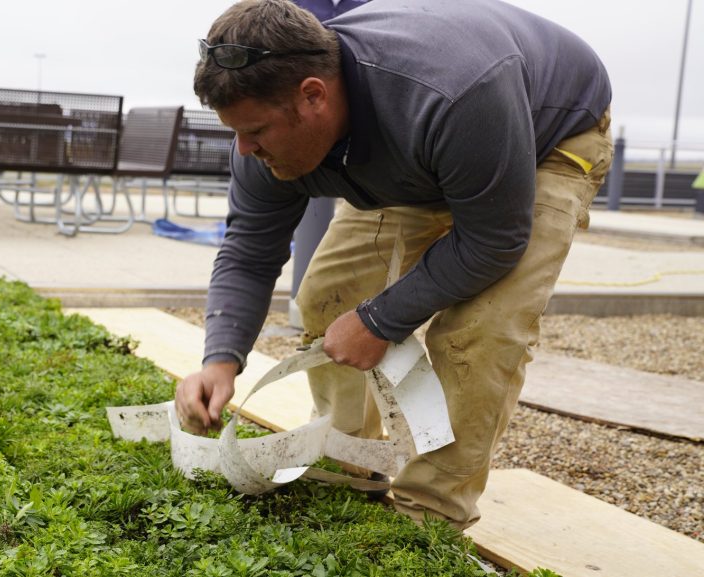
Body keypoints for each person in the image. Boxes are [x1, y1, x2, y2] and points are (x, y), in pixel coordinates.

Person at [175, 0, 613, 529]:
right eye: (235, 132)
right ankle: (353, 461)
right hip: (420, 151)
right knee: (325, 296)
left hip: (546, 136)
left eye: (258, 132)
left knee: (481, 329)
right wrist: (221, 358)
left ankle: (428, 513)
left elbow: (493, 241)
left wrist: (380, 321)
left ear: (313, 95)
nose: (243, 151)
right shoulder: (263, 131)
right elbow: (249, 248)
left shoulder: (452, 93)